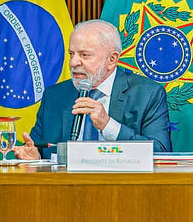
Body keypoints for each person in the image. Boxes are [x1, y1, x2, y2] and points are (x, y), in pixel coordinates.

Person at [14, 19, 172, 160]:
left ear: (112, 60)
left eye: (84, 55)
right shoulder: (55, 96)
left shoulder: (147, 94)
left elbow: (161, 154)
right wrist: (34, 157)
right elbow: (38, 148)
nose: (74, 62)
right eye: (72, 54)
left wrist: (108, 124)